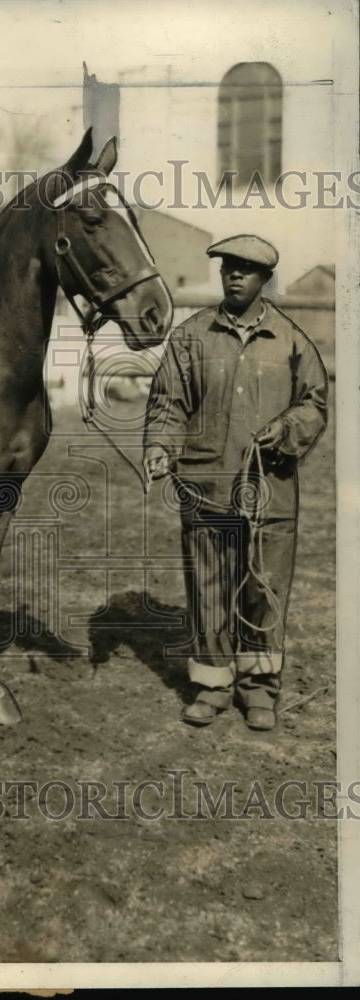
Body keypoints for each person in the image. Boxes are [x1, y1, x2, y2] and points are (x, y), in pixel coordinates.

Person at [142, 235, 328, 731]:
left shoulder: (291, 340)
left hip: (272, 491)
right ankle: (212, 686)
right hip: (205, 487)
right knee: (209, 589)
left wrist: (286, 428)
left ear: (265, 278)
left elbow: (315, 402)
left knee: (264, 590)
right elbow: (167, 401)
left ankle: (260, 689)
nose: (235, 276)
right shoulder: (192, 336)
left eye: (246, 270)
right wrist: (161, 445)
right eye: (228, 268)